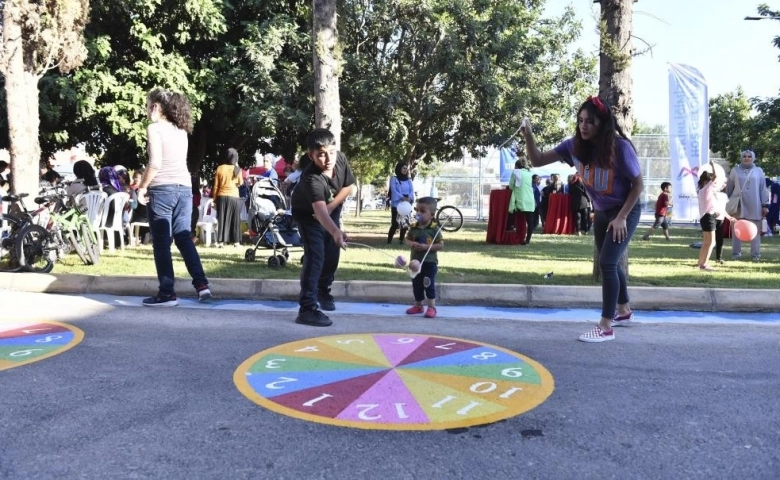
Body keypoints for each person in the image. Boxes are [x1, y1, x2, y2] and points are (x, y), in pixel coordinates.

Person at [520, 95, 643, 343]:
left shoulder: (620, 148)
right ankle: (624, 311)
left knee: (607, 263)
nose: (583, 126)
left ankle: (606, 326)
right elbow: (537, 160)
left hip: (624, 210)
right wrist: (528, 135)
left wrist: (621, 218)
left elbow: (638, 185)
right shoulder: (574, 146)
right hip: (601, 211)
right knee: (612, 262)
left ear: (602, 123)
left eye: (590, 121)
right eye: (580, 121)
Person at [136, 88, 211, 306]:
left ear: (157, 107)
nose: (147, 110)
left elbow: (156, 163)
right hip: (184, 188)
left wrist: (142, 187)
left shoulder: (154, 128)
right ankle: (202, 285)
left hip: (162, 189)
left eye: (148, 105)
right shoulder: (181, 130)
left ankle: (167, 293)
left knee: (161, 243)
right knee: (183, 237)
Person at [290, 128, 353, 327]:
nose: (328, 159)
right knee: (316, 256)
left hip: (328, 211)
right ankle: (307, 308)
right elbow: (319, 213)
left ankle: (323, 290)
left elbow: (349, 187)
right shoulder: (311, 179)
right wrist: (335, 230)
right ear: (311, 155)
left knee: (332, 255)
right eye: (321, 154)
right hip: (307, 215)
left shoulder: (340, 159)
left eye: (331, 153)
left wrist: (332, 207)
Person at [404, 197, 445, 318]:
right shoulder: (413, 227)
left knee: (428, 284)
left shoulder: (434, 229)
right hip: (415, 263)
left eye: (422, 211)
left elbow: (440, 245)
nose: (418, 213)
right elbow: (407, 240)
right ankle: (418, 305)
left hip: (429, 263)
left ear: (432, 214)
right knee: (417, 284)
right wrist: (412, 244)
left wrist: (426, 247)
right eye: (417, 210)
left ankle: (431, 307)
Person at [726, 150, 769, 261]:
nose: (747, 158)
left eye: (749, 156)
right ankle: (736, 254)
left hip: (755, 204)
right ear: (741, 158)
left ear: (753, 158)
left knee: (755, 230)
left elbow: (763, 189)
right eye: (744, 156)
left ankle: (756, 254)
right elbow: (729, 188)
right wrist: (727, 202)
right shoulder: (735, 170)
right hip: (738, 205)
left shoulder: (758, 171)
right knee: (737, 230)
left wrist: (765, 205)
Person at [697, 163, 735, 271]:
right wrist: (713, 166)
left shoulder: (704, 191)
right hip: (709, 217)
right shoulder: (706, 189)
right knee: (712, 242)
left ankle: (700, 263)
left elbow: (716, 206)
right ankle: (704, 264)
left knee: (706, 242)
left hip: (707, 217)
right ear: (706, 181)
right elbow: (715, 177)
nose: (714, 183)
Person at [212, 148, 244, 248]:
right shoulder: (237, 169)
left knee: (222, 219)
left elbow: (216, 186)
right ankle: (236, 242)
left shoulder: (220, 168)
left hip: (222, 195)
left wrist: (214, 200)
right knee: (235, 219)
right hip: (234, 196)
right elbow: (241, 183)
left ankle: (221, 242)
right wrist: (237, 166)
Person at [508, 158, 535, 245]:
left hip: (520, 199)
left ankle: (514, 235)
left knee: (514, 217)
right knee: (530, 222)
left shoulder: (515, 172)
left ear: (516, 166)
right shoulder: (529, 173)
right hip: (530, 200)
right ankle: (527, 240)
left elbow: (511, 186)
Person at [387, 162, 415, 244]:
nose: (405, 170)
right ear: (399, 169)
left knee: (405, 224)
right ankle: (389, 240)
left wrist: (409, 198)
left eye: (406, 168)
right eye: (403, 168)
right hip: (397, 203)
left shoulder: (409, 180)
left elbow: (411, 190)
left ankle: (401, 240)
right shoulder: (394, 179)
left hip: (406, 203)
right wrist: (401, 197)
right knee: (395, 223)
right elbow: (393, 190)